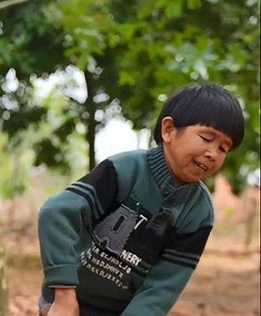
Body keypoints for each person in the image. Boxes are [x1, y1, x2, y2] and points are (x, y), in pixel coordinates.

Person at [37, 83, 245, 316]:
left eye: (224, 148)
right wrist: (64, 292)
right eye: (207, 138)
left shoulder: (198, 213)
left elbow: (163, 286)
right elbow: (56, 214)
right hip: (66, 300)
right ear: (168, 130)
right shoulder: (124, 170)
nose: (213, 153)